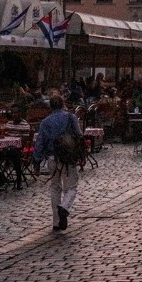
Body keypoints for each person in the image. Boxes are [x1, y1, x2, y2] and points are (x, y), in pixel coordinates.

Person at [33, 93, 84, 231]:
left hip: (51, 158)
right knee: (71, 187)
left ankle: (56, 222)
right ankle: (64, 207)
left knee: (55, 188)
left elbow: (39, 143)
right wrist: (81, 154)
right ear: (62, 104)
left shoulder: (45, 122)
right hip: (67, 158)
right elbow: (79, 136)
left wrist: (36, 162)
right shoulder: (70, 117)